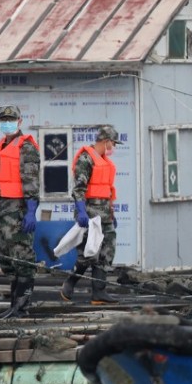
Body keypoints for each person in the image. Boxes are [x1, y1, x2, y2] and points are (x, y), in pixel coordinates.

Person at [0, 105, 40, 319]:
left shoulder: (26, 147)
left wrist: (31, 210)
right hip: (1, 210)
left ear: (19, 121)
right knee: (7, 260)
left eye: (11, 119)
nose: (7, 122)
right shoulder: (0, 147)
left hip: (19, 211)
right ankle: (13, 306)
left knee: (23, 258)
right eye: (3, 119)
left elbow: (31, 181)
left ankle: (21, 308)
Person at [59, 125, 122, 304]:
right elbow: (78, 189)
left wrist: (111, 212)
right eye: (113, 143)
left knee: (106, 252)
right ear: (106, 141)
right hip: (90, 214)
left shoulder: (105, 162)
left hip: (105, 215)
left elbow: (107, 190)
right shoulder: (86, 159)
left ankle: (99, 292)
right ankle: (69, 283)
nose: (113, 147)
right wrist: (81, 212)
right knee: (88, 255)